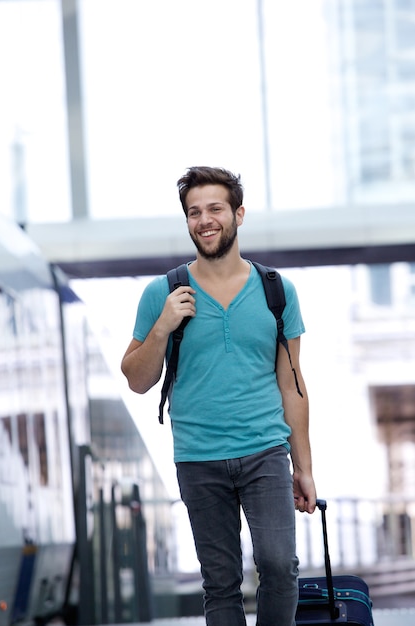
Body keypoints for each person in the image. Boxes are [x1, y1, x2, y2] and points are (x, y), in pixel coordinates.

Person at [121, 166, 317, 626]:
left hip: (265, 451)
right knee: (221, 581)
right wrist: (163, 326)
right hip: (198, 457)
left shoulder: (277, 291)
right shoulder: (164, 293)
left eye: (214, 209)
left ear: (238, 215)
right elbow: (135, 378)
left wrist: (304, 467)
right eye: (193, 212)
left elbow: (293, 384)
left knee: (278, 566)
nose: (204, 220)